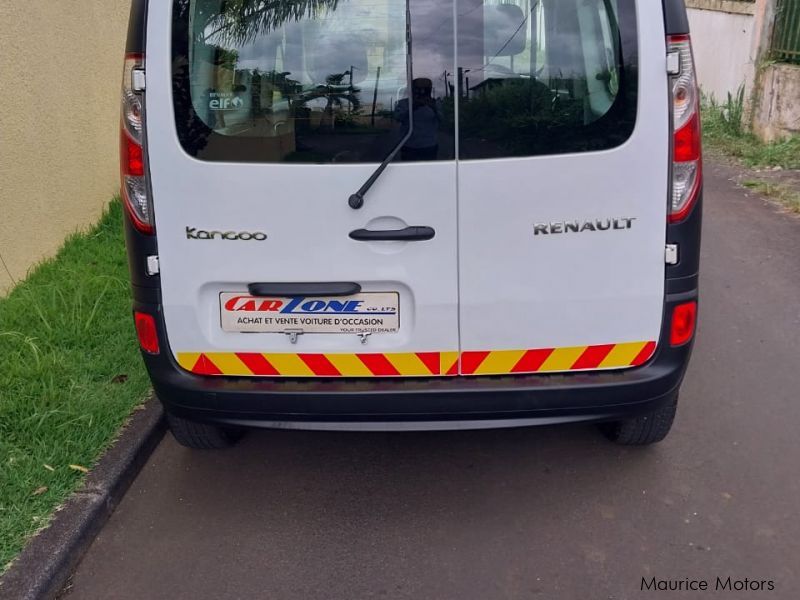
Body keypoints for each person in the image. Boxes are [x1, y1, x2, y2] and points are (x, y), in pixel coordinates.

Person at [394, 78, 440, 161]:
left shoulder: (436, 103)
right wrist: (412, 108)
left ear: (429, 90)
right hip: (409, 146)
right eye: (418, 89)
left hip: (430, 146)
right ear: (412, 90)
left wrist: (434, 108)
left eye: (425, 89)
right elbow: (397, 118)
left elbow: (446, 120)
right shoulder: (403, 103)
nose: (422, 92)